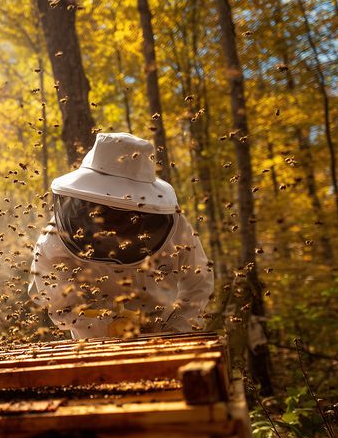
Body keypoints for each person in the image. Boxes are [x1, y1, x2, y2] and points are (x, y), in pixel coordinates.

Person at [29, 132, 213, 339]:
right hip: (92, 345)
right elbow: (58, 305)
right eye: (107, 208)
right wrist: (105, 323)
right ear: (89, 201)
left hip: (163, 338)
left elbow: (199, 283)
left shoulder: (175, 226)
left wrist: (177, 329)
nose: (116, 220)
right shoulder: (56, 239)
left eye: (128, 211)